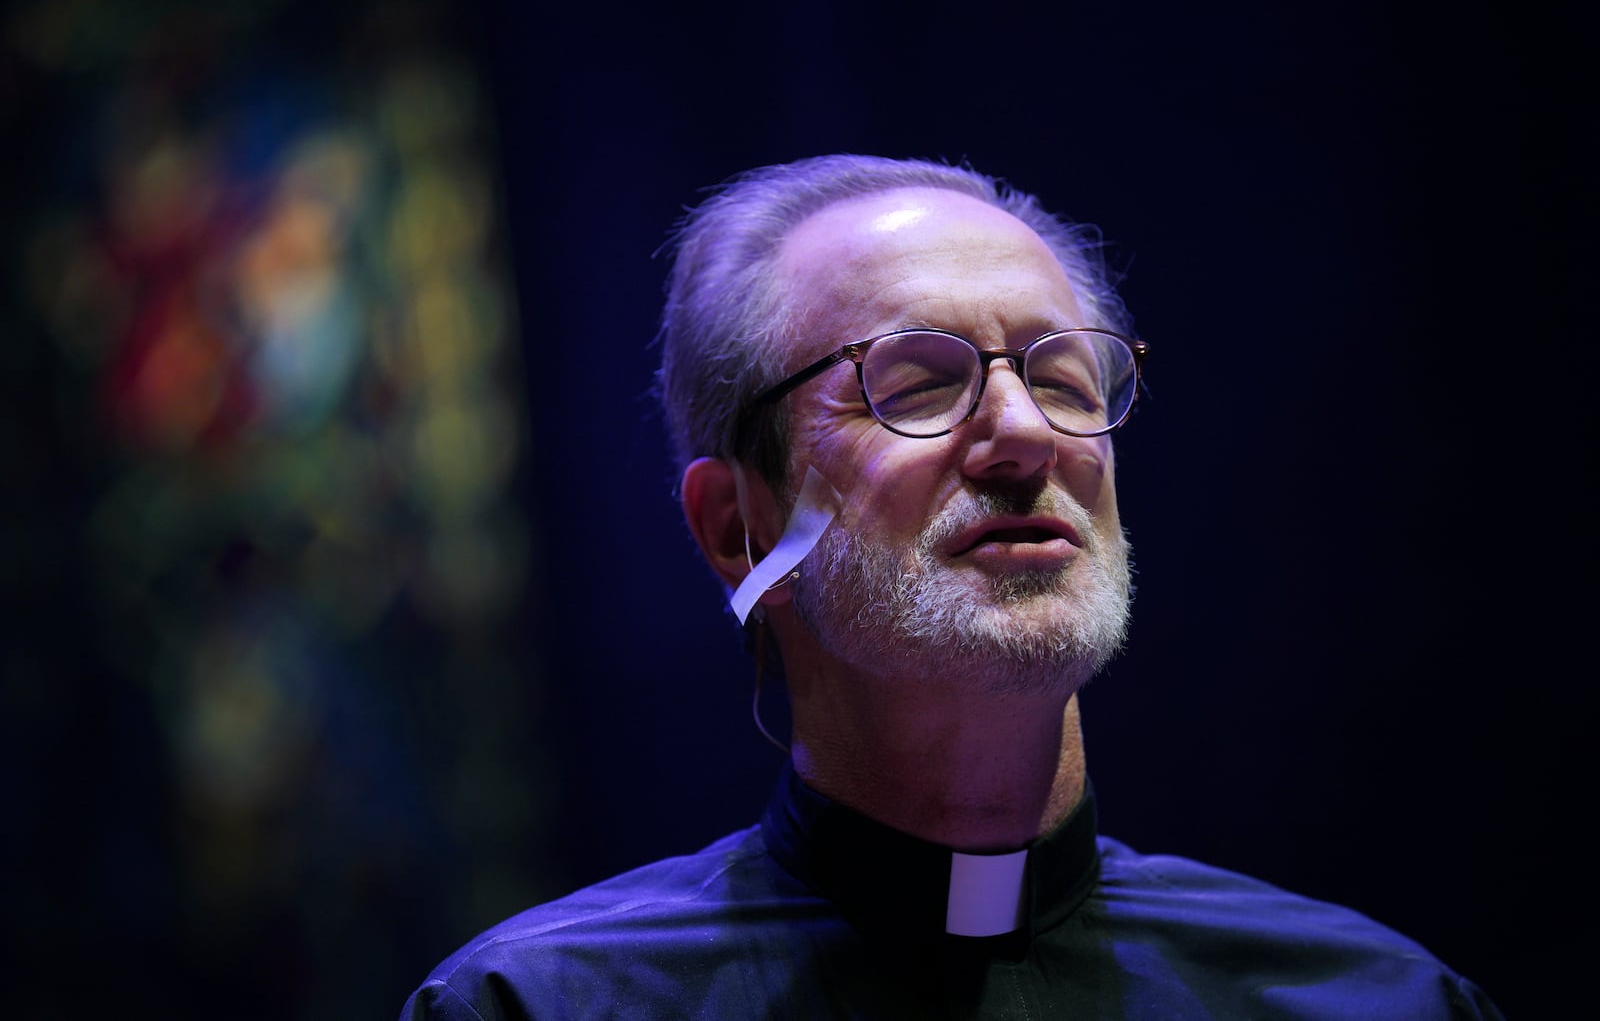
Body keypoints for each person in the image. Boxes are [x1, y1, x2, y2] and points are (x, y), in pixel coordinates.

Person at [400, 155, 1502, 1019]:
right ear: (738, 527)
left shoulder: (1376, 999)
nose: (1025, 436)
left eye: (1064, 376)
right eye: (917, 384)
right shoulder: (539, 1008)